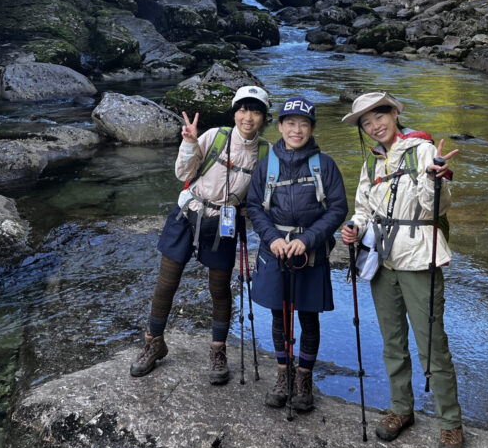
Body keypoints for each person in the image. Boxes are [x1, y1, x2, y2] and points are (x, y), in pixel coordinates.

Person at [339, 91, 464, 448]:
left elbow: (437, 206)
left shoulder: (423, 150)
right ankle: (401, 408)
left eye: (379, 116)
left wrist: (435, 178)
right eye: (366, 122)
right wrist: (354, 227)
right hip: (382, 261)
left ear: (394, 113)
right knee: (392, 342)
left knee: (432, 344)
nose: (374, 126)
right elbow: (364, 209)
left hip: (419, 259)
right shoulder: (372, 160)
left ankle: (450, 423)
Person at [130, 85, 272, 385]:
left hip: (224, 224)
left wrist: (249, 210)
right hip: (188, 214)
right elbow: (184, 174)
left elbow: (264, 196)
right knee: (166, 282)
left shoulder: (265, 153)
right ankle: (153, 342)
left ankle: (218, 351)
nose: (248, 117)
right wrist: (190, 143)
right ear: (234, 113)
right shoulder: (215, 136)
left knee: (219, 289)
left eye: (255, 112)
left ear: (264, 118)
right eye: (243, 110)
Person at [246, 97, 348, 412]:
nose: (296, 130)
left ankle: (304, 377)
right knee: (279, 315)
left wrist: (308, 239)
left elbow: (338, 209)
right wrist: (273, 238)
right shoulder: (266, 165)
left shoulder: (324, 165)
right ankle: (283, 374)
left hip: (310, 253)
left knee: (308, 315)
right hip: (275, 251)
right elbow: (254, 207)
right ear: (279, 127)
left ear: (312, 129)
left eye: (304, 124)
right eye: (290, 123)